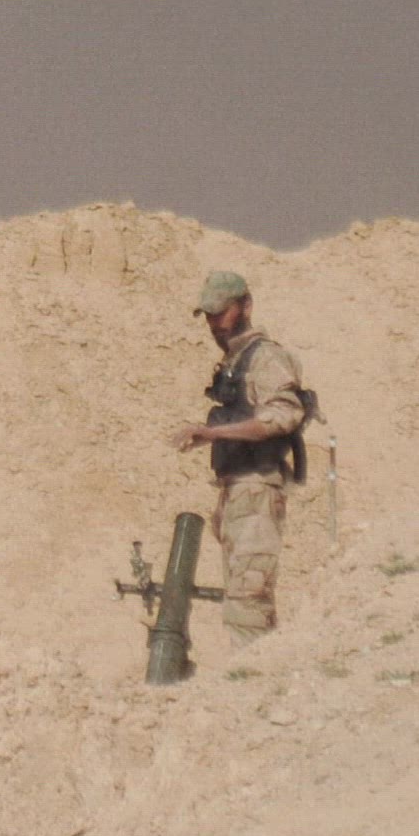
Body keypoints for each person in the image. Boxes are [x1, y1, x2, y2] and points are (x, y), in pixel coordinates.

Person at [169, 271, 309, 646]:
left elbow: (283, 415)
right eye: (209, 316)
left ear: (245, 306)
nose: (215, 324)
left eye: (221, 312)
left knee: (248, 605)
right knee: (240, 602)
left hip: (258, 490)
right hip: (237, 491)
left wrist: (213, 433)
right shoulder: (235, 361)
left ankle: (255, 678)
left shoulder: (266, 358)